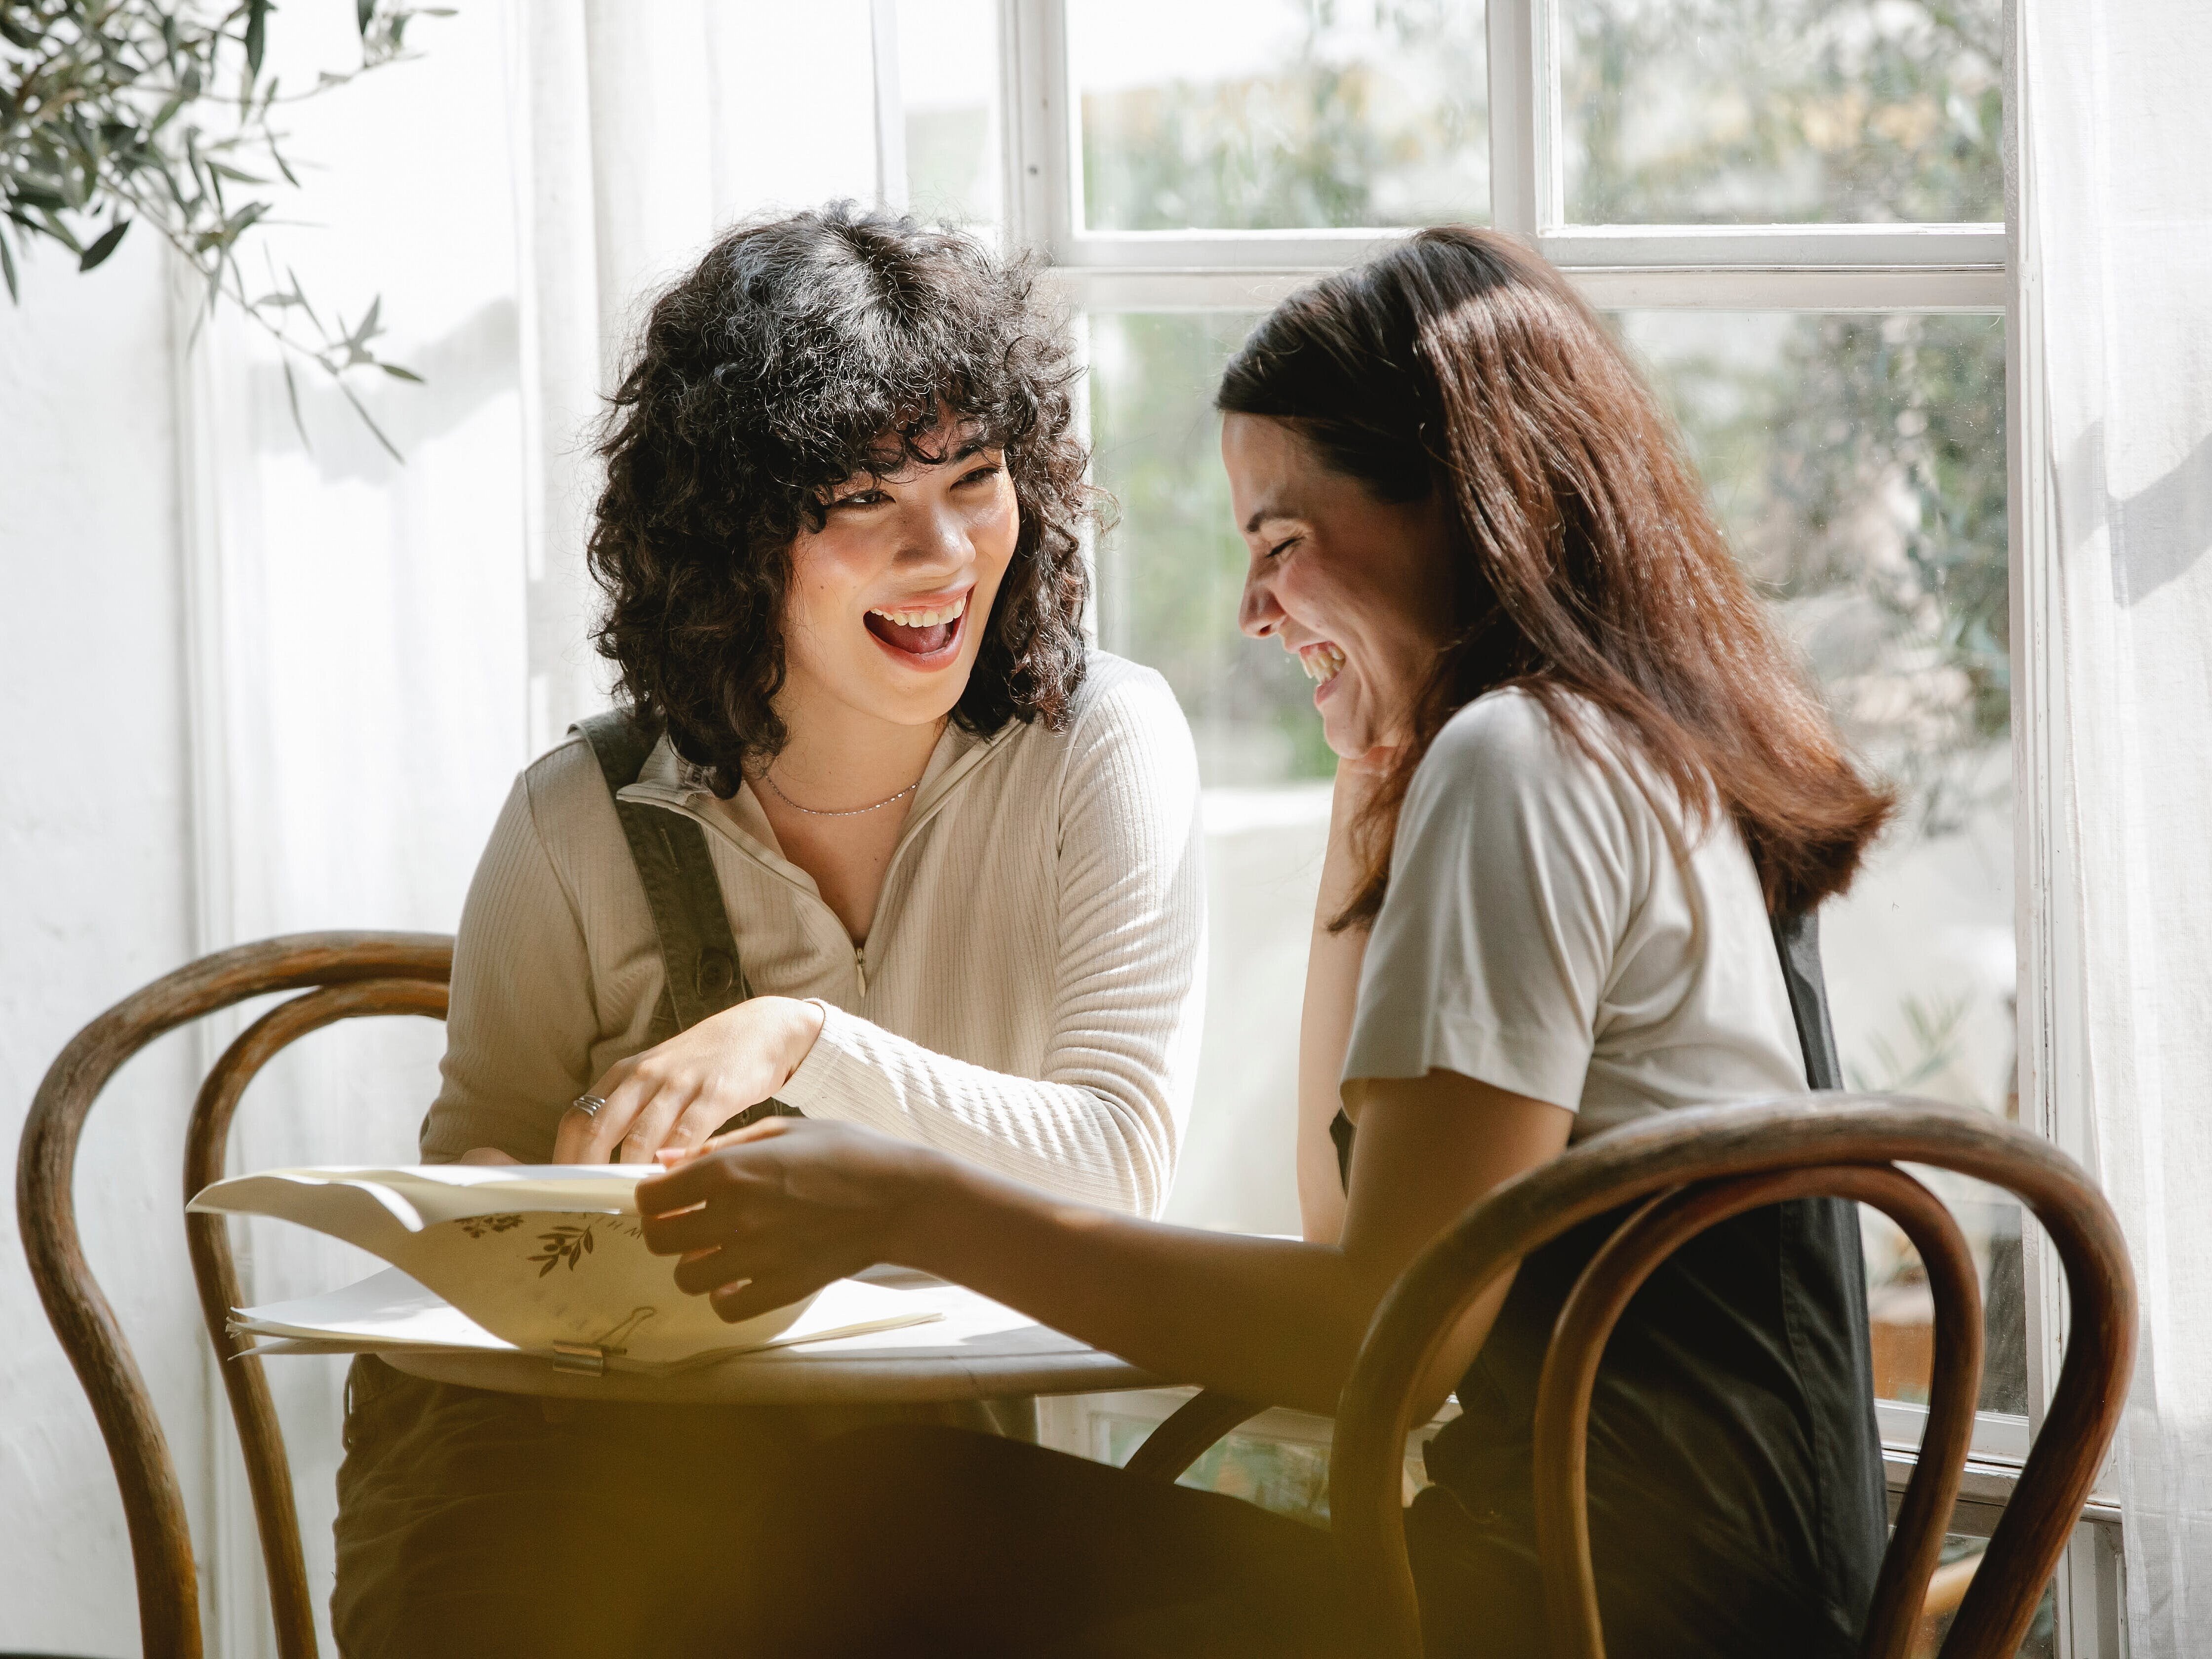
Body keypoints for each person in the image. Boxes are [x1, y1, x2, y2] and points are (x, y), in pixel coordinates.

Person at [636, 227, 1898, 1658]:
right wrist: (1370, 786)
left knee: (863, 1523)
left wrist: (908, 1206)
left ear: (1462, 508)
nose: (1249, 610)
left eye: (1281, 545)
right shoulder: (1612, 746)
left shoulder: (1524, 763)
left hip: (1590, 1616)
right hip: (1708, 1597)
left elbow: (1385, 1346)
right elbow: (1346, 1240)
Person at [328, 204, 1206, 1659]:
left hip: (928, 1489)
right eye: (863, 501)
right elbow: (475, 1159)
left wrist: (799, 1040)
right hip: (597, 1492)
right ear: (733, 539)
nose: (945, 557)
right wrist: (529, 1200)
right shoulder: (576, 820)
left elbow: (1121, 1167)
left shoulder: (1101, 744)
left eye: (978, 480)